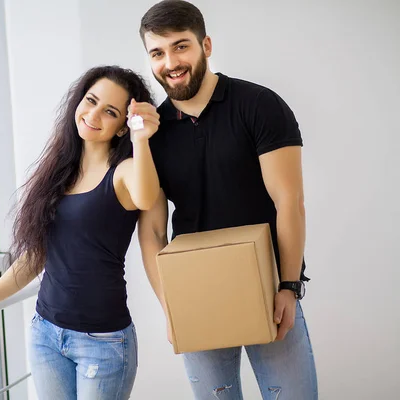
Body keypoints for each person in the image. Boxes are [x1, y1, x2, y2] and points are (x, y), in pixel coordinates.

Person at [0, 65, 160, 400]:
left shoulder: (125, 172)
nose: (94, 114)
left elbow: (146, 196)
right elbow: (34, 258)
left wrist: (141, 139)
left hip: (103, 343)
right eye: (91, 100)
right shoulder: (59, 172)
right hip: (46, 334)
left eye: (110, 112)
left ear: (121, 128)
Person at [136, 1, 318, 399]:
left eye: (181, 46)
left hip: (270, 289)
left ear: (207, 45)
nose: (171, 62)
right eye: (158, 52)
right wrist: (172, 306)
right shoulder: (154, 135)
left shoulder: (259, 105)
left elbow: (290, 202)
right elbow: (151, 229)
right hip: (195, 295)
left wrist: (289, 286)